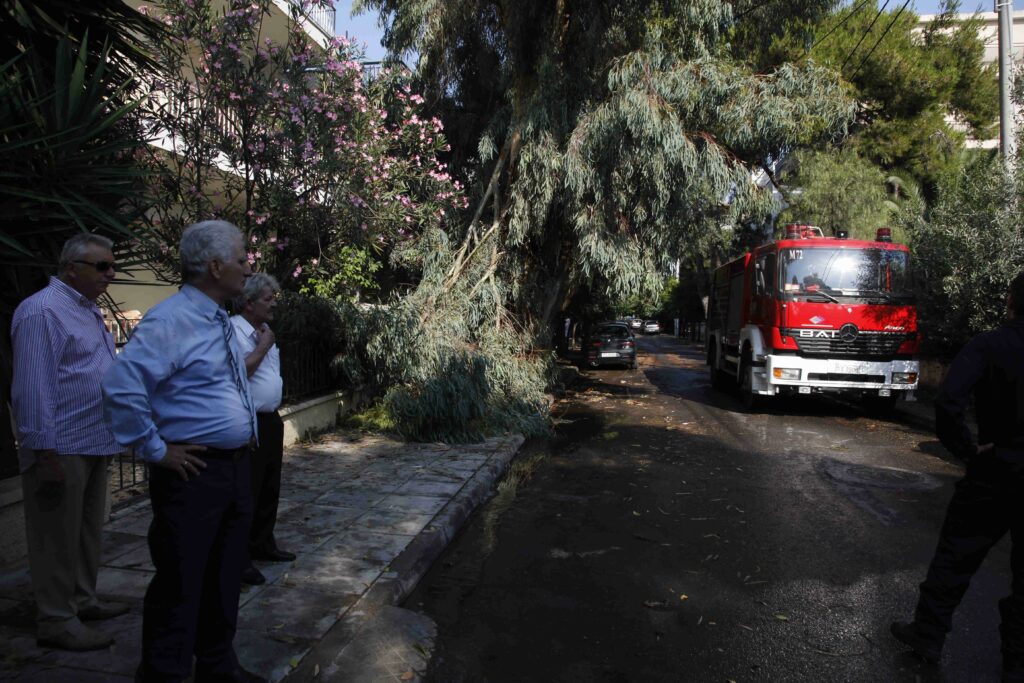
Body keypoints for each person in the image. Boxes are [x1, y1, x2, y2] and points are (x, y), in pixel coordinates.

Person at [102, 220, 265, 683]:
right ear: (214, 267)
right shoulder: (172, 319)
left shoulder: (215, 316)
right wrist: (156, 450)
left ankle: (217, 666)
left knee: (225, 574)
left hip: (231, 470)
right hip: (194, 474)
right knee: (182, 580)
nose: (247, 267)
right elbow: (121, 385)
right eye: (240, 258)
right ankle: (164, 673)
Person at [891, 271, 1024, 681]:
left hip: (995, 471)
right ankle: (1017, 663)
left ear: (1010, 302)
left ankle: (928, 636)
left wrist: (968, 450)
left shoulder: (989, 344)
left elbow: (949, 401)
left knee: (955, 558)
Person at [10, 233, 129, 651]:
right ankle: (56, 619)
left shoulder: (88, 309)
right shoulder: (43, 312)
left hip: (94, 438)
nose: (110, 274)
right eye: (102, 267)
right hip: (61, 445)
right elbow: (31, 388)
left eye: (112, 266)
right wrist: (44, 451)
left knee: (86, 531)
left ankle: (82, 599)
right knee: (54, 537)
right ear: (71, 268)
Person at [230, 273, 295, 587]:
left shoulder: (265, 330)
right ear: (248, 302)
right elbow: (237, 374)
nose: (273, 305)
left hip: (270, 419)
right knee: (248, 490)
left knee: (270, 485)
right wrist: (263, 347)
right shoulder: (234, 330)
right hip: (248, 419)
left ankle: (263, 543)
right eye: (267, 299)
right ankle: (239, 559)